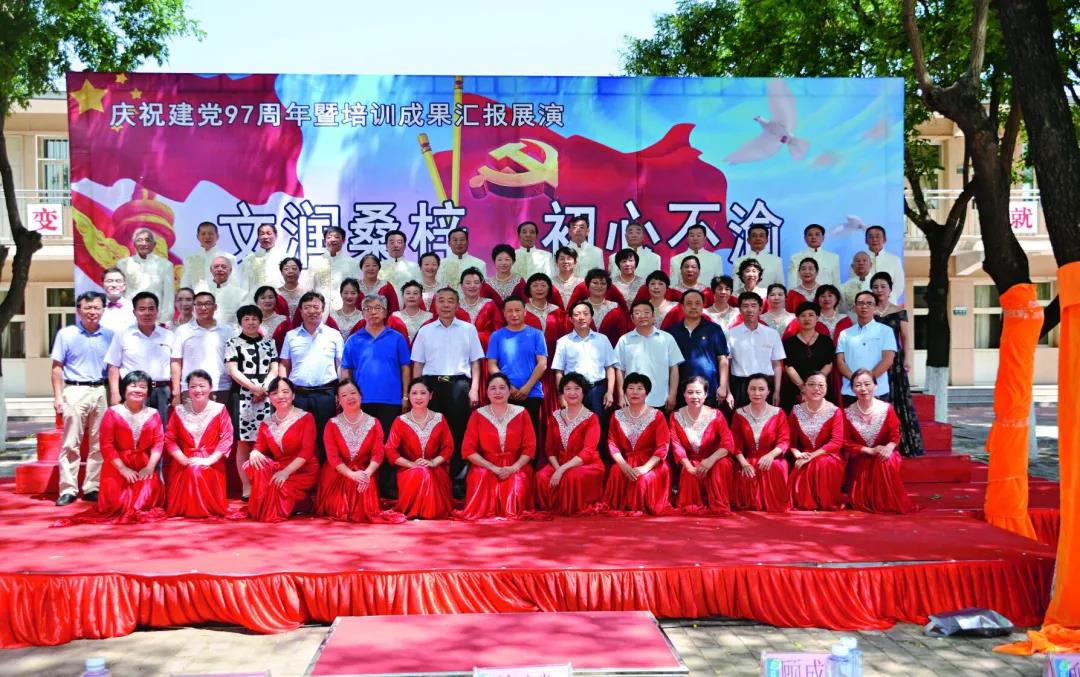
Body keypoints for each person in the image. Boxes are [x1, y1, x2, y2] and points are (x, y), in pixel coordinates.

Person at [411, 287, 485, 494]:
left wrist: (474, 389)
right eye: (441, 300)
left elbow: (475, 362)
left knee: (458, 433)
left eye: (450, 301)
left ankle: (458, 481)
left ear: (458, 305)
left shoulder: (468, 329)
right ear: (435, 305)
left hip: (459, 385)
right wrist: (417, 391)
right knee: (431, 433)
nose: (445, 305)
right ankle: (432, 479)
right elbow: (418, 363)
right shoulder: (425, 331)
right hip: (431, 386)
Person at [340, 294, 412, 495]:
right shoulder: (354, 340)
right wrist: (346, 397)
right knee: (364, 445)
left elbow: (405, 368)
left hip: (391, 400)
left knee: (388, 444)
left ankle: (387, 487)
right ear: (362, 313)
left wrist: (405, 396)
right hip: (361, 402)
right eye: (368, 308)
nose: (373, 312)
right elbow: (346, 370)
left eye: (378, 308)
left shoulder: (397, 338)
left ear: (386, 312)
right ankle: (365, 486)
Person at [50, 291, 113, 506]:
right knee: (71, 442)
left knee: (99, 442)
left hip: (102, 391)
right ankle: (68, 489)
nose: (92, 312)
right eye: (88, 308)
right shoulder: (66, 334)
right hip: (75, 390)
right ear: (78, 310)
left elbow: (114, 368)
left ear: (103, 310)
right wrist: (58, 396)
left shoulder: (110, 336)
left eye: (96, 307)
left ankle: (92, 487)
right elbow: (57, 368)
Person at [314, 379, 405, 523]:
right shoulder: (331, 424)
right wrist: (351, 474)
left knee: (365, 501)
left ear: (360, 396)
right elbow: (333, 458)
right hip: (338, 473)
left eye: (353, 393)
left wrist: (367, 474)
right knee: (341, 507)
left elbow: (378, 454)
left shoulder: (374, 423)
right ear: (338, 400)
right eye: (344, 395)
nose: (350, 397)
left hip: (365, 472)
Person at [459, 373, 537, 519]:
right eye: (493, 388)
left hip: (515, 465)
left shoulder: (522, 413)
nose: (498, 392)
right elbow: (468, 450)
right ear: (487, 392)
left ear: (509, 391)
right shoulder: (477, 415)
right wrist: (492, 467)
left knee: (516, 482)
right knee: (480, 476)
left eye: (502, 388)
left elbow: (530, 447)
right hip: (486, 465)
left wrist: (513, 468)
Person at [93, 370, 165, 522]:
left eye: (143, 387)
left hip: (143, 465)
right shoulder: (112, 412)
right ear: (124, 388)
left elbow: (158, 443)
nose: (138, 390)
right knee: (119, 505)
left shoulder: (154, 413)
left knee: (144, 504)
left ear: (148, 391)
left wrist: (150, 467)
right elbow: (106, 445)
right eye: (133, 386)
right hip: (117, 465)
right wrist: (123, 469)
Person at [244, 377, 320, 522]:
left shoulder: (306, 417)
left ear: (293, 395)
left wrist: (285, 472)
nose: (280, 396)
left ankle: (302, 502)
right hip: (280, 467)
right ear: (270, 397)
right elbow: (259, 447)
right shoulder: (266, 422)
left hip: (303, 468)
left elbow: (307, 452)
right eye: (275, 393)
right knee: (255, 464)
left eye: (285, 392)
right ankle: (290, 504)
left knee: (276, 487)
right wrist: (254, 452)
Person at [279, 291, 344, 457]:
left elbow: (341, 365)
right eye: (307, 307)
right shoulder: (291, 336)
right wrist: (283, 392)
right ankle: (299, 471)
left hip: (326, 393)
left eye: (316, 307)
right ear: (300, 311)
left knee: (325, 437)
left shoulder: (333, 334)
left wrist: (341, 391)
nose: (312, 311)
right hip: (298, 394)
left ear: (323, 310)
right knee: (297, 437)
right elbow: (284, 365)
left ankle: (324, 471)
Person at [225, 304, 279, 500]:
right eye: (246, 319)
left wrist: (264, 388)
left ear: (260, 321)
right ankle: (246, 486)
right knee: (243, 442)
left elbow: (274, 369)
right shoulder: (233, 343)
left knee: (266, 440)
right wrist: (254, 389)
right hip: (242, 395)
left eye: (254, 318)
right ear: (240, 322)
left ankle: (265, 483)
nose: (250, 322)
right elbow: (233, 371)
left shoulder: (269, 343)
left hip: (266, 395)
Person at [163, 369, 234, 518]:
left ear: (210, 387)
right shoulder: (179, 410)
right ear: (188, 389)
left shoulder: (219, 409)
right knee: (191, 469)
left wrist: (209, 460)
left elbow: (227, 438)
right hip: (183, 460)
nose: (198, 390)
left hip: (211, 460)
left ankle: (199, 509)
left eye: (202, 386)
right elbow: (169, 439)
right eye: (193, 386)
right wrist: (183, 459)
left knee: (195, 470)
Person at [842, 369, 912, 513]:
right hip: (861, 454)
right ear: (852, 389)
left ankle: (887, 502)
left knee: (885, 459)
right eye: (858, 385)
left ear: (875, 386)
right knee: (865, 462)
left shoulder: (887, 409)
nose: (863, 389)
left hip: (885, 451)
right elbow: (846, 441)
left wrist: (889, 448)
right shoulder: (846, 413)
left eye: (867, 384)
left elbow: (895, 434)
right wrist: (869, 450)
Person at [534, 373, 605, 515]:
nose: (572, 393)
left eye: (577, 388)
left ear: (583, 392)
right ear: (562, 393)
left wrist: (561, 470)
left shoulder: (592, 418)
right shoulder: (555, 416)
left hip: (586, 464)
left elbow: (587, 452)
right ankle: (552, 508)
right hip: (559, 462)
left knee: (571, 476)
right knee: (541, 477)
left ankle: (572, 507)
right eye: (568, 389)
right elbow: (549, 449)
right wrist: (557, 468)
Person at [602, 373, 671, 515]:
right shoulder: (616, 415)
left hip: (651, 463)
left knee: (642, 479)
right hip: (626, 462)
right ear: (625, 391)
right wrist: (623, 465)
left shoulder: (657, 415)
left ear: (647, 392)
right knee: (616, 471)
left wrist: (645, 468)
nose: (635, 392)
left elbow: (662, 447)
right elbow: (612, 443)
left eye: (640, 388)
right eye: (631, 388)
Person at [385, 379, 455, 519]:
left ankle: (428, 511)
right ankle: (423, 511)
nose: (418, 397)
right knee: (421, 472)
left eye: (423, 393)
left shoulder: (439, 418)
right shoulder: (400, 421)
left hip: (435, 470)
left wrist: (433, 462)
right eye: (414, 393)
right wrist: (411, 464)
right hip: (409, 471)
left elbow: (448, 447)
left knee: (426, 471)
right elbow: (390, 450)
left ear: (430, 395)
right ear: (408, 395)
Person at [871, 272, 923, 457]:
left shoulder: (899, 311)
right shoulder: (869, 311)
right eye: (875, 287)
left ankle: (899, 443)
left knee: (897, 398)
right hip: (874, 359)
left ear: (890, 289)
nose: (879, 290)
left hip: (895, 361)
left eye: (883, 286)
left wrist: (908, 358)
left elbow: (906, 337)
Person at [670, 376, 735, 514]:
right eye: (690, 392)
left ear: (705, 395)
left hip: (715, 460)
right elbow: (676, 445)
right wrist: (688, 466)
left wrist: (710, 460)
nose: (694, 396)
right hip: (691, 462)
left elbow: (728, 443)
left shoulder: (716, 415)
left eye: (698, 392)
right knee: (688, 472)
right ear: (684, 394)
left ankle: (718, 503)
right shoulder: (675, 416)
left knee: (722, 464)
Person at [105, 291, 173, 422]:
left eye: (151, 309)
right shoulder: (123, 335)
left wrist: (175, 391)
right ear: (134, 312)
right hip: (133, 392)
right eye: (142, 309)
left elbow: (175, 365)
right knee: (133, 429)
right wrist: (114, 393)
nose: (147, 313)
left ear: (157, 311)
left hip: (161, 392)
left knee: (161, 429)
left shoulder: (168, 336)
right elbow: (113, 365)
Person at [487, 297, 548, 443]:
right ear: (504, 313)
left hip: (532, 393)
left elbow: (542, 364)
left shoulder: (536, 334)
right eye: (510, 311)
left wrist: (527, 388)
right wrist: (508, 387)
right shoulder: (497, 336)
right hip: (505, 394)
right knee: (507, 435)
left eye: (517, 310)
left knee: (530, 436)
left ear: (525, 312)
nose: (514, 314)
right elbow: (492, 365)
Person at [730, 373, 791, 512]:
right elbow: (735, 444)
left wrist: (770, 456)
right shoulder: (739, 414)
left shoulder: (778, 413)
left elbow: (784, 441)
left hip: (772, 457)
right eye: (752, 389)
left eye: (761, 389)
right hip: (747, 459)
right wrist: (744, 463)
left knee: (775, 466)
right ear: (747, 390)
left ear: (768, 391)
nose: (757, 393)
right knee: (745, 470)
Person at [787, 373, 845, 511]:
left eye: (821, 385)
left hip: (829, 455)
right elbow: (789, 439)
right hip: (805, 454)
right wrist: (796, 453)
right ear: (804, 388)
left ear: (826, 388)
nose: (816, 388)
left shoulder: (835, 411)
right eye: (811, 384)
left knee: (821, 463)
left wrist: (811, 456)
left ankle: (824, 500)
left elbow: (836, 442)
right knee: (804, 464)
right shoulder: (796, 410)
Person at [614, 301, 684, 413]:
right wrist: (621, 395)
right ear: (632, 318)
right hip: (632, 399)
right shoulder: (624, 340)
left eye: (646, 312)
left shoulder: (667, 338)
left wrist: (673, 394)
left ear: (653, 316)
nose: (642, 316)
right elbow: (620, 369)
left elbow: (674, 368)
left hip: (660, 398)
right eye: (637, 313)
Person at [552, 301, 618, 418]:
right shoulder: (563, 342)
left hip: (598, 390)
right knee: (576, 424)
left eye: (585, 314)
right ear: (571, 319)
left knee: (599, 424)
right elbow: (559, 372)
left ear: (591, 317)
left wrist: (610, 392)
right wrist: (561, 395)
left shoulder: (602, 339)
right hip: (574, 391)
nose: (581, 317)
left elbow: (610, 368)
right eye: (577, 314)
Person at [171, 291, 233, 407]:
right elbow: (176, 362)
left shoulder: (227, 331)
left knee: (219, 419)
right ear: (194, 307)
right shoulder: (183, 331)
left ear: (215, 307)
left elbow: (233, 361)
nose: (203, 308)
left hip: (220, 387)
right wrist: (176, 391)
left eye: (207, 304)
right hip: (191, 388)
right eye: (199, 304)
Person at [669, 290, 730, 407]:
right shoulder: (672, 331)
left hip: (709, 389)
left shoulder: (714, 329)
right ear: (682, 306)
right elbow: (670, 365)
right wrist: (672, 393)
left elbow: (722, 359)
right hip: (681, 390)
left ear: (703, 306)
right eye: (689, 303)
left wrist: (723, 386)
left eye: (697, 303)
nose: (693, 307)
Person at [836, 291, 897, 406]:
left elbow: (888, 360)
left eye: (869, 303)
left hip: (877, 390)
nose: (864, 306)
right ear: (854, 307)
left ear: (875, 307)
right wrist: (856, 381)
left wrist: (867, 382)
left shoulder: (886, 331)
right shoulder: (845, 333)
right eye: (861, 303)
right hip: (851, 391)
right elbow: (840, 362)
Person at [726, 292, 785, 408]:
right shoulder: (730, 334)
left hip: (766, 385)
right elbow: (726, 365)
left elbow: (777, 364)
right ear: (740, 310)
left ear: (760, 309)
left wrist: (777, 391)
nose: (750, 310)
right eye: (745, 306)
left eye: (753, 306)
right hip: (740, 385)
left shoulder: (772, 334)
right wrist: (728, 392)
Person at [782, 302, 836, 410]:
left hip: (820, 389)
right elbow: (789, 366)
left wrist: (815, 384)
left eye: (811, 315)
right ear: (797, 319)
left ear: (817, 318)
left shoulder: (826, 341)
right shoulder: (789, 342)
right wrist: (803, 387)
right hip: (796, 390)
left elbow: (829, 364)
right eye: (803, 315)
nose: (807, 318)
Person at [116, 227, 174, 325]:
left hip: (156, 321)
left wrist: (163, 322)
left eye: (147, 240)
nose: (143, 243)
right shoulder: (123, 264)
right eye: (139, 240)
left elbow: (169, 297)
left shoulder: (165, 265)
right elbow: (119, 295)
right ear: (134, 244)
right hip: (129, 319)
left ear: (154, 244)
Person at [570, 268, 629, 347]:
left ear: (607, 286)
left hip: (610, 351)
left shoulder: (615, 308)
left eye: (603, 283)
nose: (599, 286)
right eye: (595, 283)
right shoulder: (579, 307)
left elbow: (622, 334)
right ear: (588, 284)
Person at [308, 226, 361, 312]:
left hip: (343, 310)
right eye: (329, 237)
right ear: (325, 241)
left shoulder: (353, 263)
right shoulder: (315, 262)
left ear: (343, 240)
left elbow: (357, 289)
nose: (332, 240)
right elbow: (309, 288)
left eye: (336, 237)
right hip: (319, 310)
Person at [181, 221, 236, 291]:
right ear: (197, 237)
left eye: (210, 234)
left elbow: (234, 284)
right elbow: (185, 284)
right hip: (196, 297)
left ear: (217, 236)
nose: (207, 237)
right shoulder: (189, 259)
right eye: (203, 234)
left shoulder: (229, 258)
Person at [459, 267, 503, 348]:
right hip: (460, 348)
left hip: (486, 349)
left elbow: (498, 329)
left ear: (481, 285)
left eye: (476, 283)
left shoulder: (490, 304)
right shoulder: (455, 306)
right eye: (468, 283)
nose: (472, 286)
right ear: (461, 286)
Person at [787, 224, 840, 288]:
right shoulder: (795, 258)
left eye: (817, 234)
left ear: (823, 238)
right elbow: (792, 283)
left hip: (825, 294)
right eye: (810, 235)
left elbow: (836, 283)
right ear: (805, 238)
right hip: (802, 293)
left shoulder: (833, 257)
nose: (813, 237)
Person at [238, 223, 286, 291]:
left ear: (276, 236)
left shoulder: (284, 258)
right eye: (262, 234)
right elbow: (244, 285)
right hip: (254, 296)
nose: (265, 237)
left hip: (278, 295)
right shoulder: (249, 259)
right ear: (258, 237)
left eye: (269, 233)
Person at [208, 255, 249, 330]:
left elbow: (244, 321)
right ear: (211, 270)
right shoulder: (201, 291)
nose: (219, 269)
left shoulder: (241, 294)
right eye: (216, 266)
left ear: (230, 270)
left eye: (224, 267)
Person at [865, 226, 904, 304]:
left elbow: (899, 286)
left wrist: (886, 298)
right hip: (866, 305)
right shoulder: (858, 260)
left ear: (885, 239)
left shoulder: (894, 260)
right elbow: (855, 283)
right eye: (871, 237)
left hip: (888, 304)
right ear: (866, 240)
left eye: (877, 236)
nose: (874, 239)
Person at [389, 280, 432, 347]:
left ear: (421, 297)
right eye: (408, 293)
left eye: (415, 293)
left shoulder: (429, 317)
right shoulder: (395, 316)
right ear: (402, 296)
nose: (411, 296)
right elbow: (389, 339)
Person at [99, 267, 135, 335]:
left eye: (118, 281)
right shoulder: (95, 308)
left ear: (124, 286)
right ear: (102, 285)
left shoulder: (134, 308)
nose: (114, 285)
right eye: (109, 281)